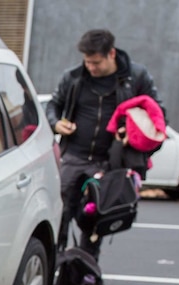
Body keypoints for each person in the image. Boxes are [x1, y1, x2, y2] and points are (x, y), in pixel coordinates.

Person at [46, 28, 164, 260]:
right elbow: (53, 105)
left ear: (111, 54)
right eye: (87, 61)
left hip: (108, 162)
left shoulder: (136, 77)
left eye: (96, 62)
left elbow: (158, 114)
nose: (91, 67)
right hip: (74, 157)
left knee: (95, 220)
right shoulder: (74, 77)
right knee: (60, 213)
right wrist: (56, 123)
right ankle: (55, 269)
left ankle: (84, 273)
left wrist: (133, 134)